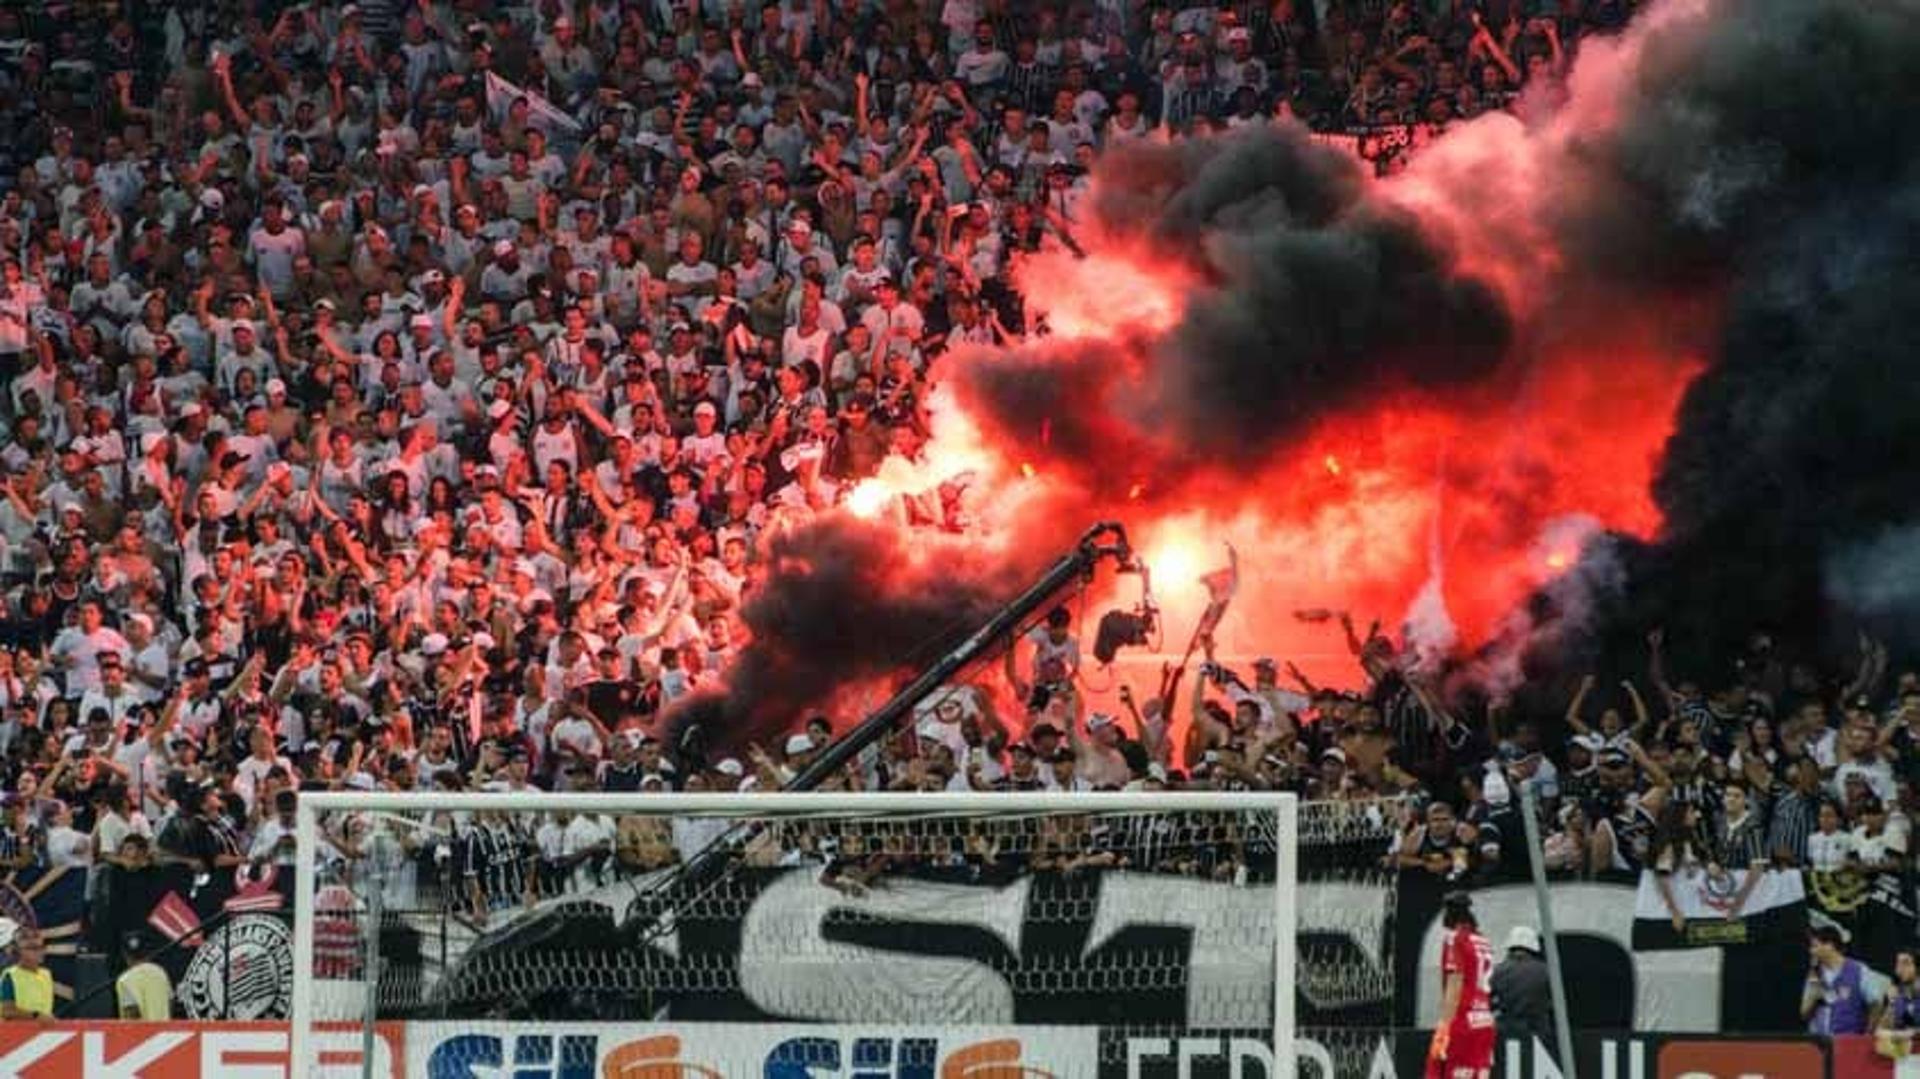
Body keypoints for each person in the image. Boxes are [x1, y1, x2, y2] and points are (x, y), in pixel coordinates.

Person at [1429, 891, 1495, 1079]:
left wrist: (1443, 1028)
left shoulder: (1454, 938)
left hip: (1461, 1022)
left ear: (1450, 913)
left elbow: (1455, 984)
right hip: (1484, 1023)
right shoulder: (1484, 941)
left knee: (1437, 1072)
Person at [1804, 924, 1888, 1035]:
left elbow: (1876, 1003)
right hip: (1818, 1042)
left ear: (1829, 945)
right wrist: (1813, 998)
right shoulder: (1814, 974)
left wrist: (1867, 1035)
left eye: (1815, 946)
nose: (1811, 951)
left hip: (1849, 1042)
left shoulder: (1859, 971)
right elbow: (1804, 1014)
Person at [1491, 925, 1555, 1057]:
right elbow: (1555, 1003)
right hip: (1538, 1033)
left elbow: (1488, 1003)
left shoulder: (1497, 971)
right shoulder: (1546, 970)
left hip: (1506, 1033)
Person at [115, 931, 171, 1020]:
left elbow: (131, 1014)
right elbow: (170, 1003)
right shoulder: (161, 973)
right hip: (163, 1032)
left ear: (125, 955)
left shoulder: (125, 980)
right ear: (147, 953)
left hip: (141, 1033)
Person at [0, 930, 54, 1021]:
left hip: (40, 1032)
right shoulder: (11, 976)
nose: (39, 952)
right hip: (15, 1033)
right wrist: (36, 1016)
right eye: (33, 948)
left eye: (42, 947)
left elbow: (45, 1010)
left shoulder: (46, 975)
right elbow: (7, 1011)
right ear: (18, 951)